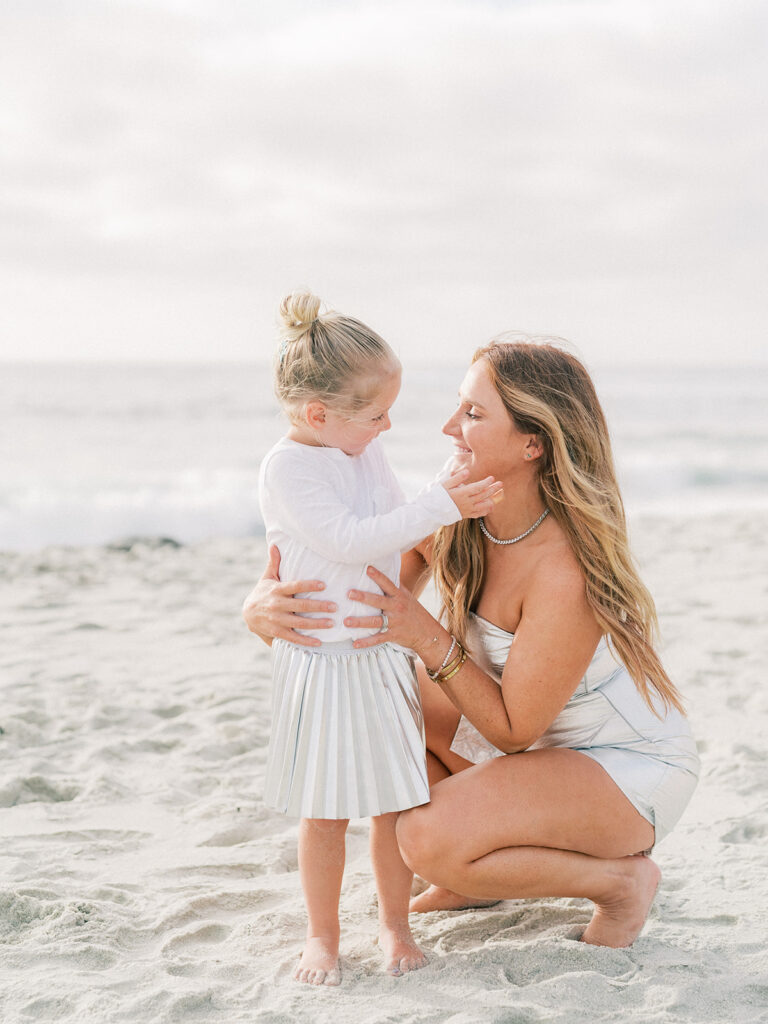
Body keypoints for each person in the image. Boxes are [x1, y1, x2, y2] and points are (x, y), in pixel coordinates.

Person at [244, 335, 700, 950]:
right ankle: (478, 877)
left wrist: (426, 634)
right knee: (389, 711)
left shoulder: (564, 571)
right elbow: (364, 598)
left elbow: (512, 729)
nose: (448, 428)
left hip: (624, 770)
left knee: (426, 839)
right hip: (543, 752)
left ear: (532, 443)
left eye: (474, 415)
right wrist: (261, 609)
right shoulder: (462, 506)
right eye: (460, 406)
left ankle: (619, 882)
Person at [256, 291, 502, 986]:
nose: (388, 424)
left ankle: (395, 926)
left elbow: (400, 519)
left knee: (394, 804)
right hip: (325, 662)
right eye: (375, 414)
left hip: (379, 653)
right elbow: (348, 540)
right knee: (326, 813)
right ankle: (322, 938)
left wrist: (444, 488)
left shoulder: (359, 449)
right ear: (318, 415)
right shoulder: (291, 468)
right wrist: (444, 502)